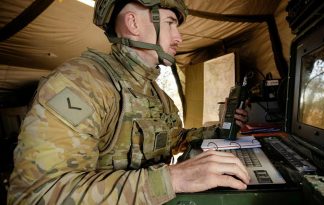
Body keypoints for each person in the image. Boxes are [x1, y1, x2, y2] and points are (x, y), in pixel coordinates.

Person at [7, 0, 250, 204]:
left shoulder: (157, 95)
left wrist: (220, 130)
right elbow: (38, 195)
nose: (179, 36)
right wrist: (172, 179)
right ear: (133, 24)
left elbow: (174, 140)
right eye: (169, 23)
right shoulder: (81, 84)